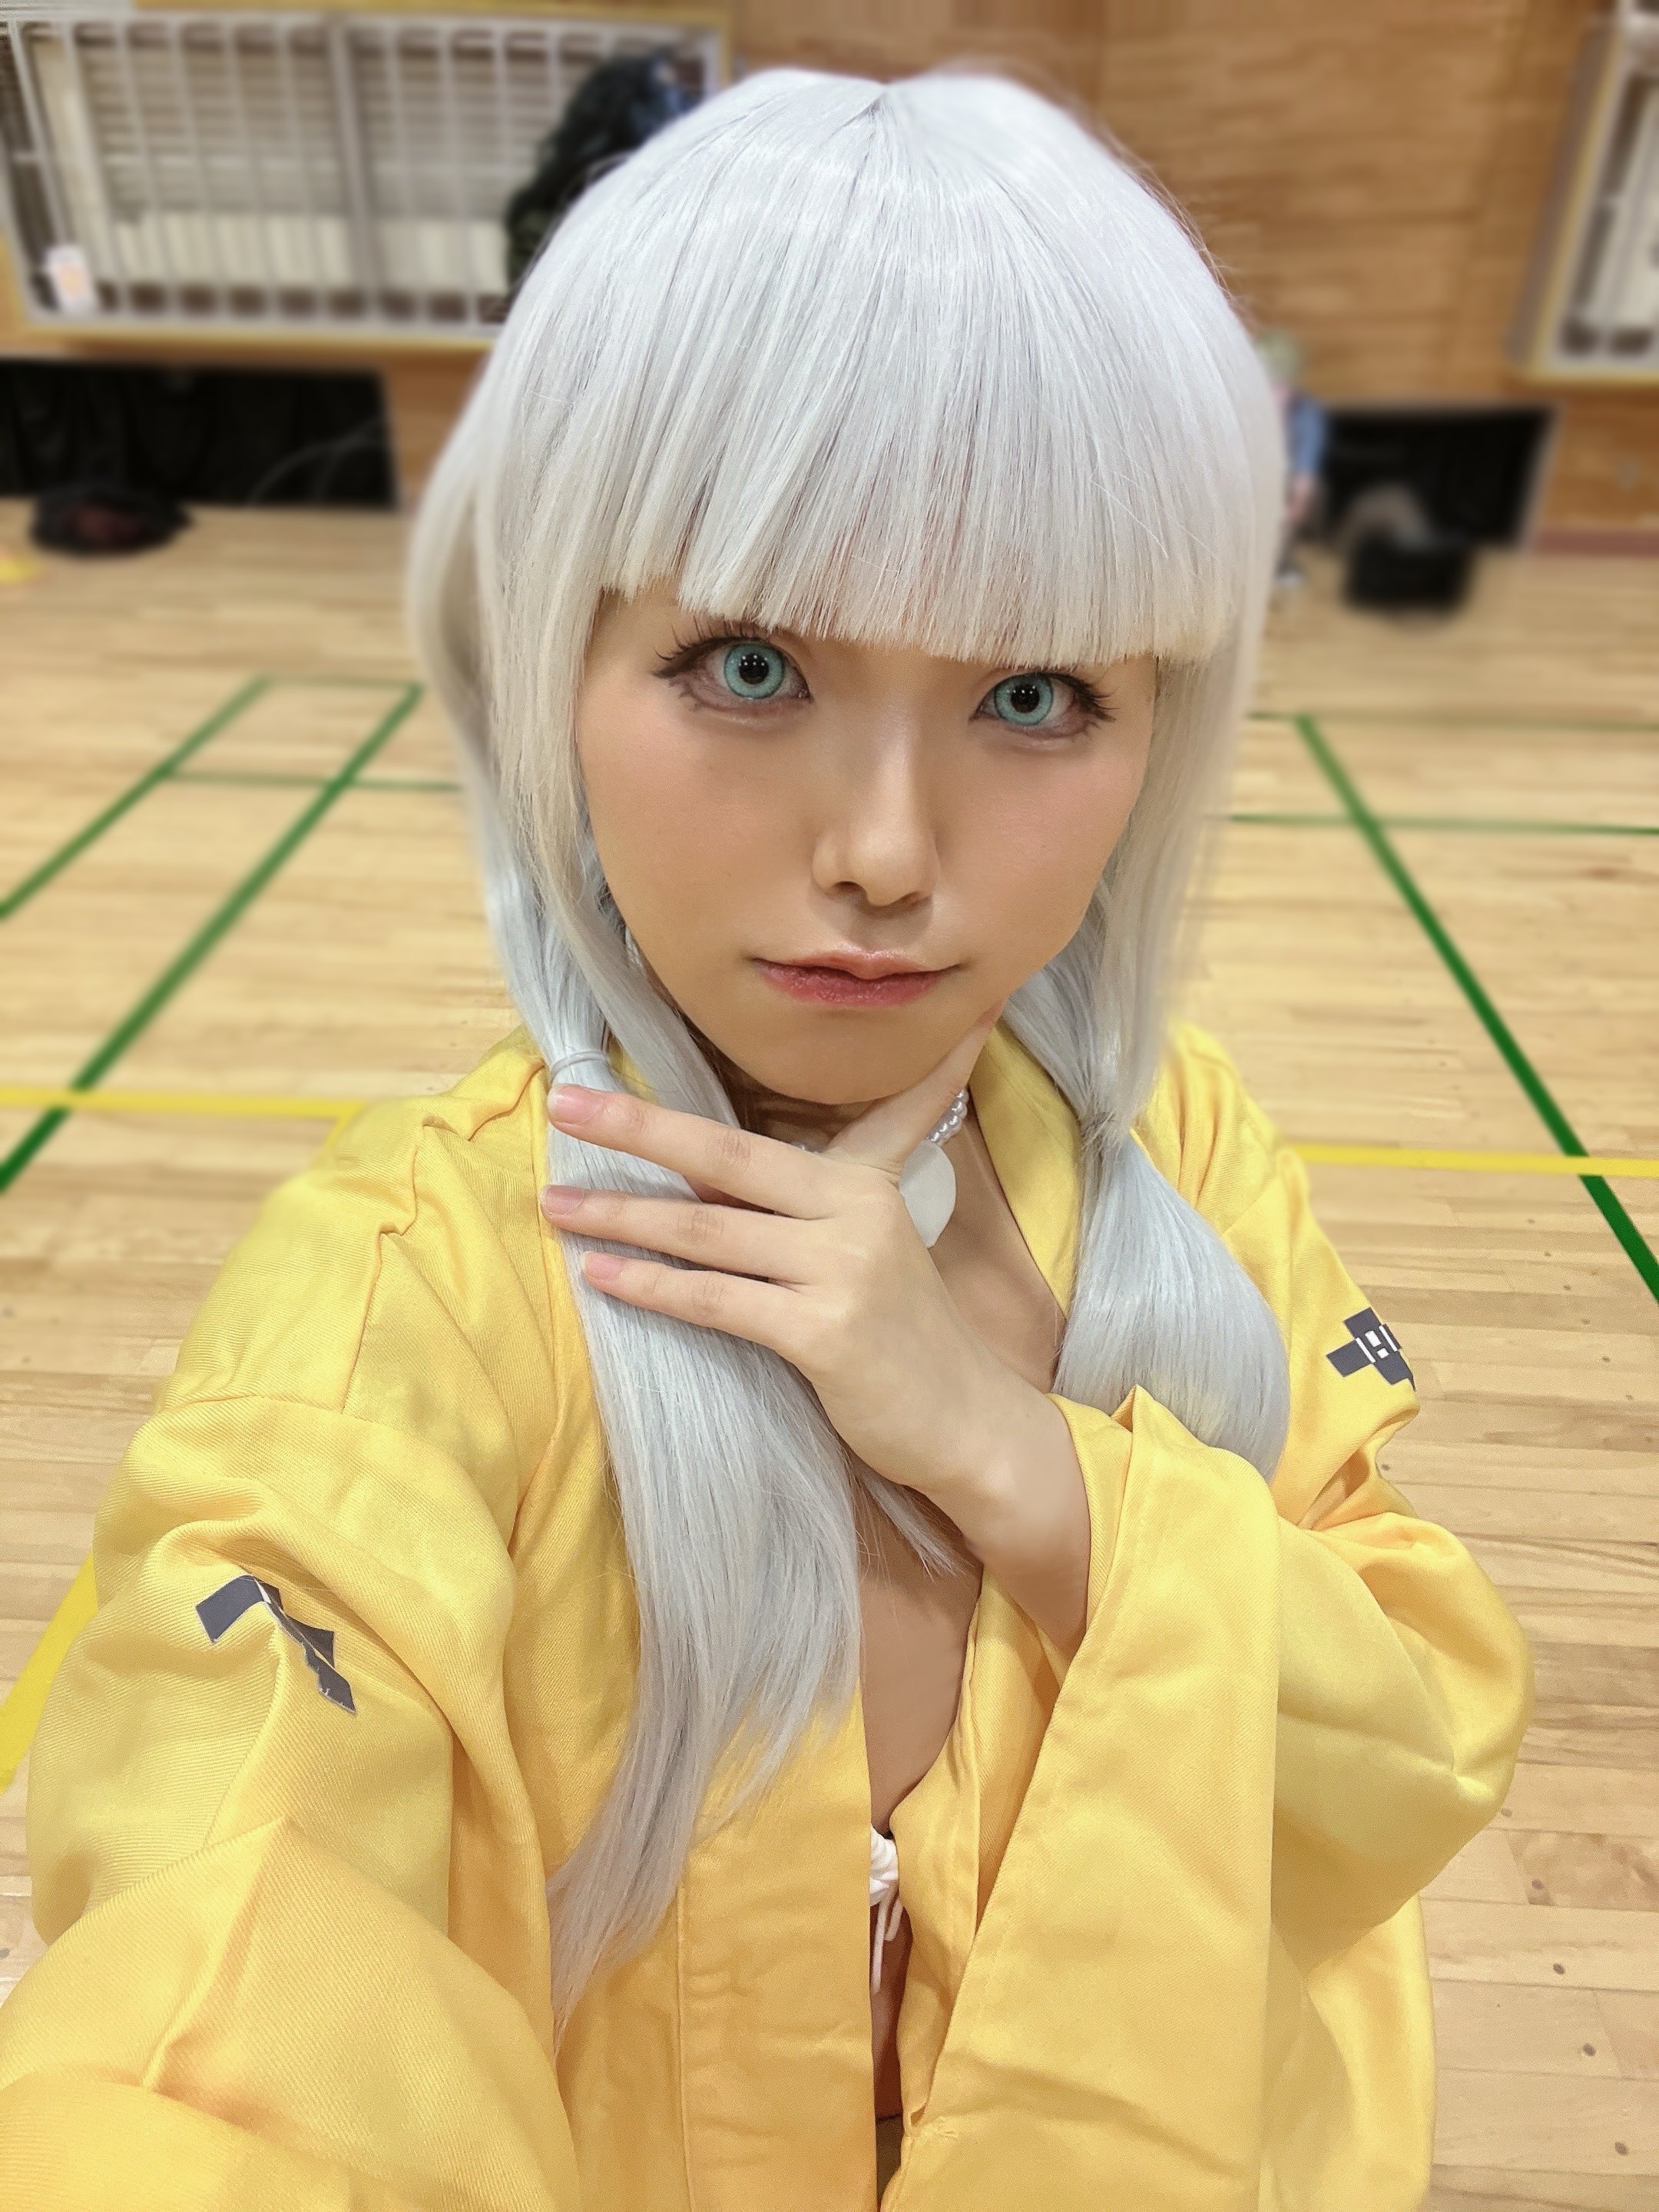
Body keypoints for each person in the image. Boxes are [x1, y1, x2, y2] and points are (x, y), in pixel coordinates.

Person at [0, 68, 1531, 2211]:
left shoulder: (1179, 1159)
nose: (886, 851)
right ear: (548, 664)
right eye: (744, 663)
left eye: (1033, 696)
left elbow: (1417, 1728)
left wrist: (1017, 1460)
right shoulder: (404, 1305)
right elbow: (228, 1953)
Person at [1255, 326, 1328, 585]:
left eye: (1278, 386)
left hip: (1284, 482)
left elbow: (1305, 472)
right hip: (1255, 478)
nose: (1273, 394)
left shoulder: (1307, 415)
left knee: (1290, 510)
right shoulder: (1249, 407)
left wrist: (1295, 505)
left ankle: (1278, 565)